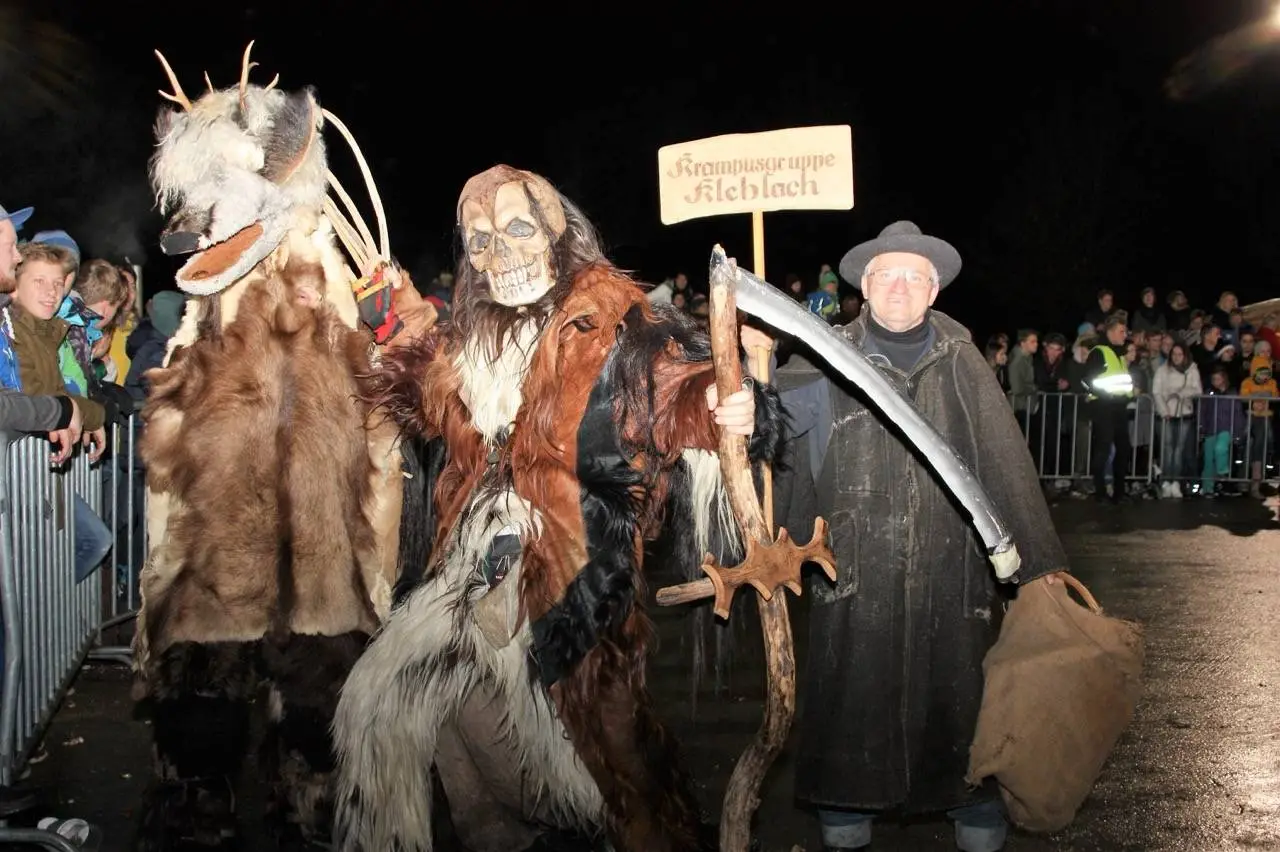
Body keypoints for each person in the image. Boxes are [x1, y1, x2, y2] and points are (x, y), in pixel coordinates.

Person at [755, 220, 1067, 852]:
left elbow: (1005, 463)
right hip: (855, 571)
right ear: (865, 287)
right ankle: (846, 807)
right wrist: (747, 408)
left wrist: (1039, 571)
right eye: (886, 275)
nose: (899, 286)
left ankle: (975, 806)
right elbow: (775, 436)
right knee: (853, 693)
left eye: (913, 277)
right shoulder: (823, 356)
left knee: (962, 694)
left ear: (933, 291)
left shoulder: (963, 362)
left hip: (954, 572)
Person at [1083, 315, 1135, 503]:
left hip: (1119, 407)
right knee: (1103, 449)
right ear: (1111, 332)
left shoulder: (1119, 354)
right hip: (1103, 407)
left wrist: (1129, 397)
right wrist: (1107, 397)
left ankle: (1119, 492)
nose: (1125, 335)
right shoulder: (1099, 352)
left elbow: (1122, 382)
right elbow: (1087, 381)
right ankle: (1100, 492)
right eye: (1122, 331)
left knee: (1123, 449)